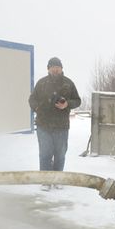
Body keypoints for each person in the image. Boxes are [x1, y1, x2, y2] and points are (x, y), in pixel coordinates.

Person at [29, 57, 81, 191]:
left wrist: (67, 104)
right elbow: (32, 99)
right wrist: (38, 108)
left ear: (62, 68)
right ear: (48, 68)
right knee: (45, 154)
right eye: (52, 66)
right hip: (43, 125)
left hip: (61, 126)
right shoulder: (41, 83)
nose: (55, 69)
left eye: (58, 66)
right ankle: (45, 180)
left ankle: (58, 179)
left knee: (60, 154)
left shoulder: (68, 83)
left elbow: (78, 100)